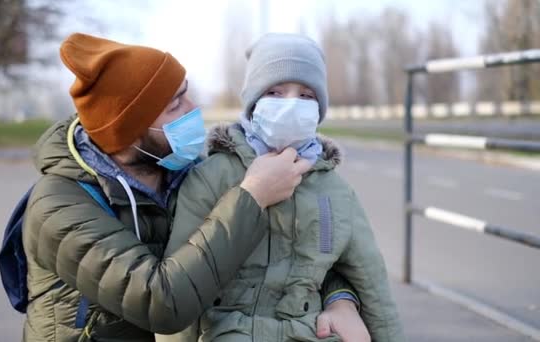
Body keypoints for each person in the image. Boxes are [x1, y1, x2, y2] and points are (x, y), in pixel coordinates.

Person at [21, 33, 365, 342]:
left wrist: (341, 299)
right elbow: (161, 302)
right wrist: (251, 197)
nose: (193, 110)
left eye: (187, 95)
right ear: (128, 132)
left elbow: (288, 254)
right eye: (175, 105)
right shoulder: (58, 207)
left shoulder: (184, 169)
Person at [163, 33, 405, 342]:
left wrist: (346, 304)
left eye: (306, 95)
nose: (291, 104)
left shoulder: (335, 190)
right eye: (275, 92)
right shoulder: (211, 177)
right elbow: (182, 288)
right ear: (252, 103)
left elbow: (374, 286)